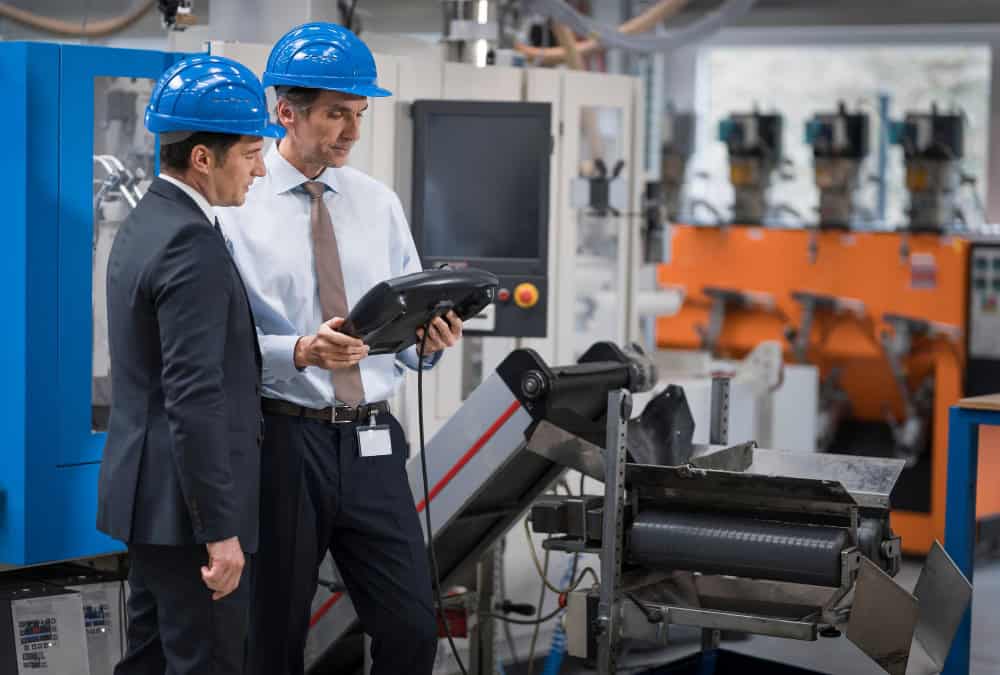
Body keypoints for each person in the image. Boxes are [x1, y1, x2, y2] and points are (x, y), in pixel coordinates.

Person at [217, 22, 463, 675]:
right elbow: (218, 342)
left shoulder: (377, 204)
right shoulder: (236, 208)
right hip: (285, 443)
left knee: (412, 627)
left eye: (358, 113)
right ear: (286, 114)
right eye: (336, 115)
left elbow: (410, 326)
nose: (352, 131)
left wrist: (429, 343)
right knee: (273, 639)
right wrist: (299, 351)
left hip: (374, 441)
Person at [97, 55, 283, 675]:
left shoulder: (148, 222)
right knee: (207, 662)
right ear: (203, 157)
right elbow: (194, 397)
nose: (260, 168)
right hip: (187, 515)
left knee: (149, 660)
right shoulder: (190, 243)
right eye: (251, 153)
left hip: (150, 506)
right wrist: (220, 532)